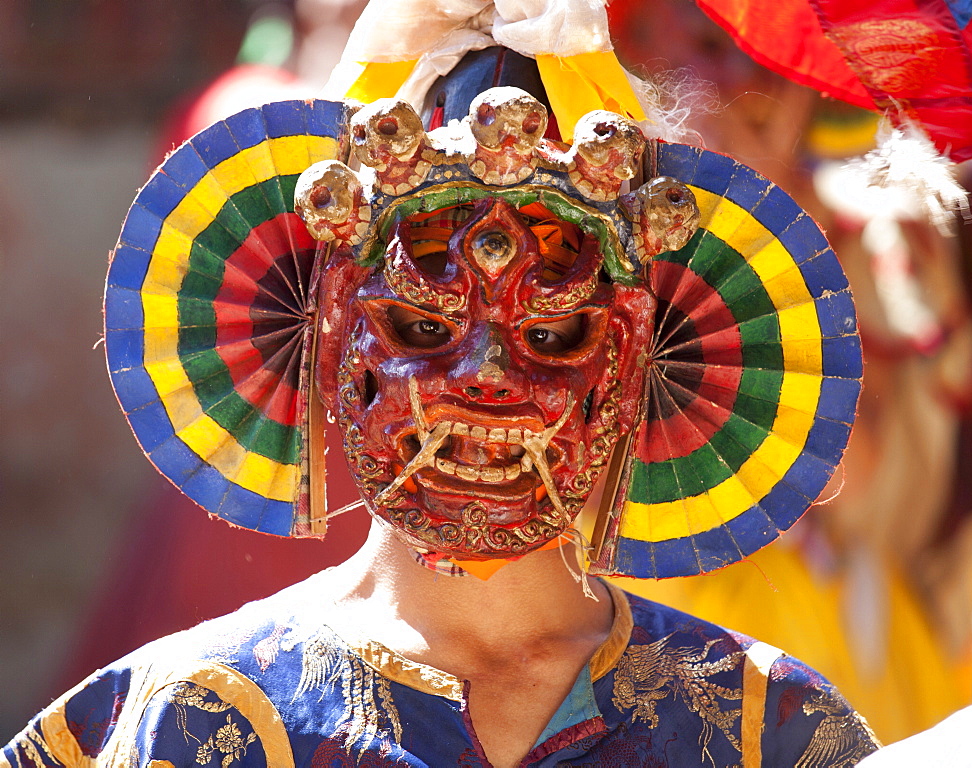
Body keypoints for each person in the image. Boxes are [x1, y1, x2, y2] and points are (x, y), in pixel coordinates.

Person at [2, 1, 880, 765]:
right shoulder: (184, 726)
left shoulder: (772, 733)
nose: (486, 375)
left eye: (552, 330)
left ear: (636, 354)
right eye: (424, 326)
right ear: (330, 329)